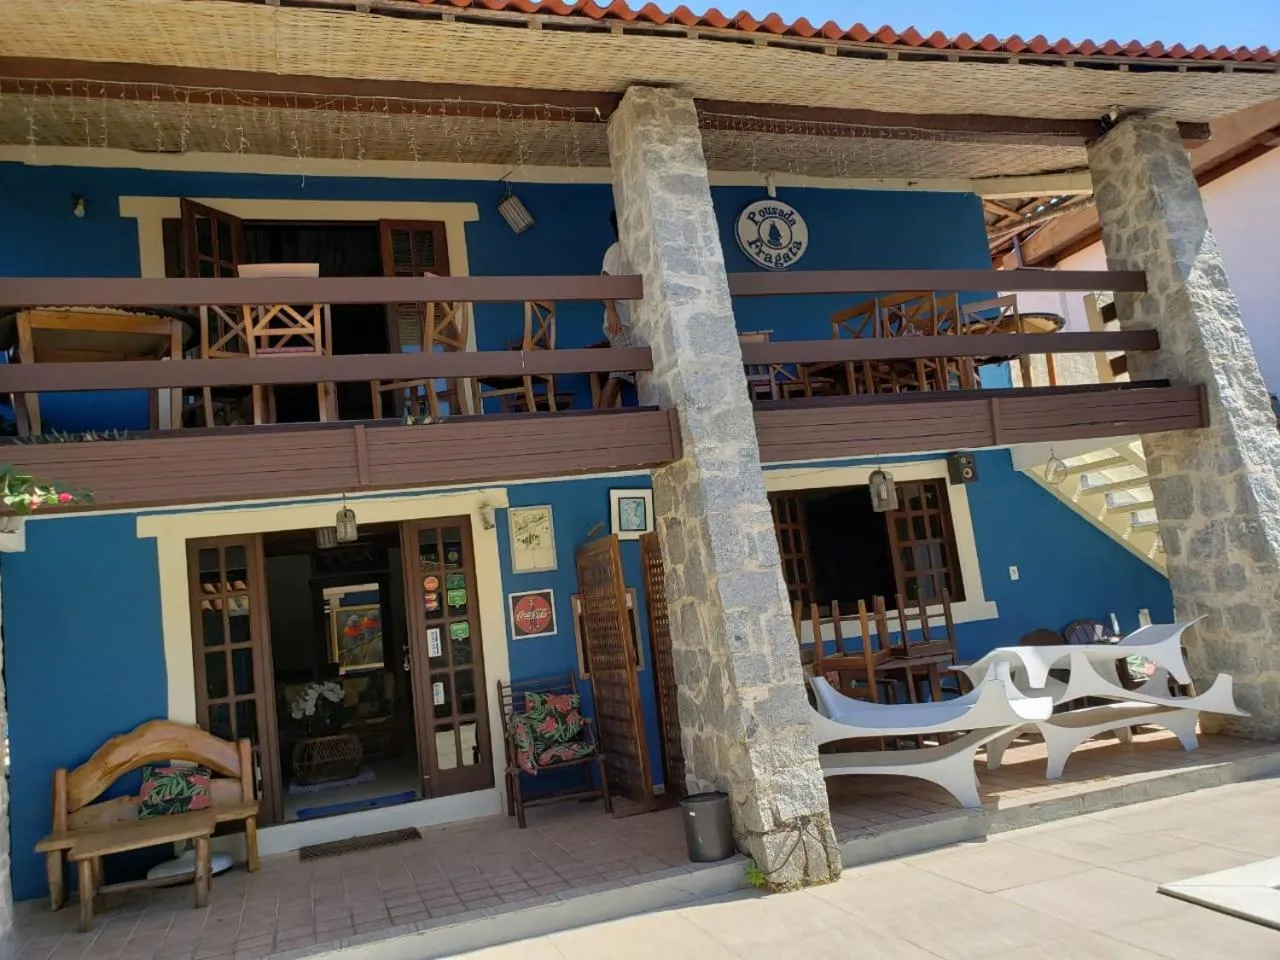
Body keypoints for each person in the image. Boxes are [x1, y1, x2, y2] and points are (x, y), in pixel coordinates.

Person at [599, 209, 634, 408]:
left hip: (629, 322)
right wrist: (612, 312)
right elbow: (605, 281)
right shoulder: (616, 250)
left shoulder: (630, 252)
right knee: (619, 371)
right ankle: (601, 418)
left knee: (624, 372)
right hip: (619, 322)